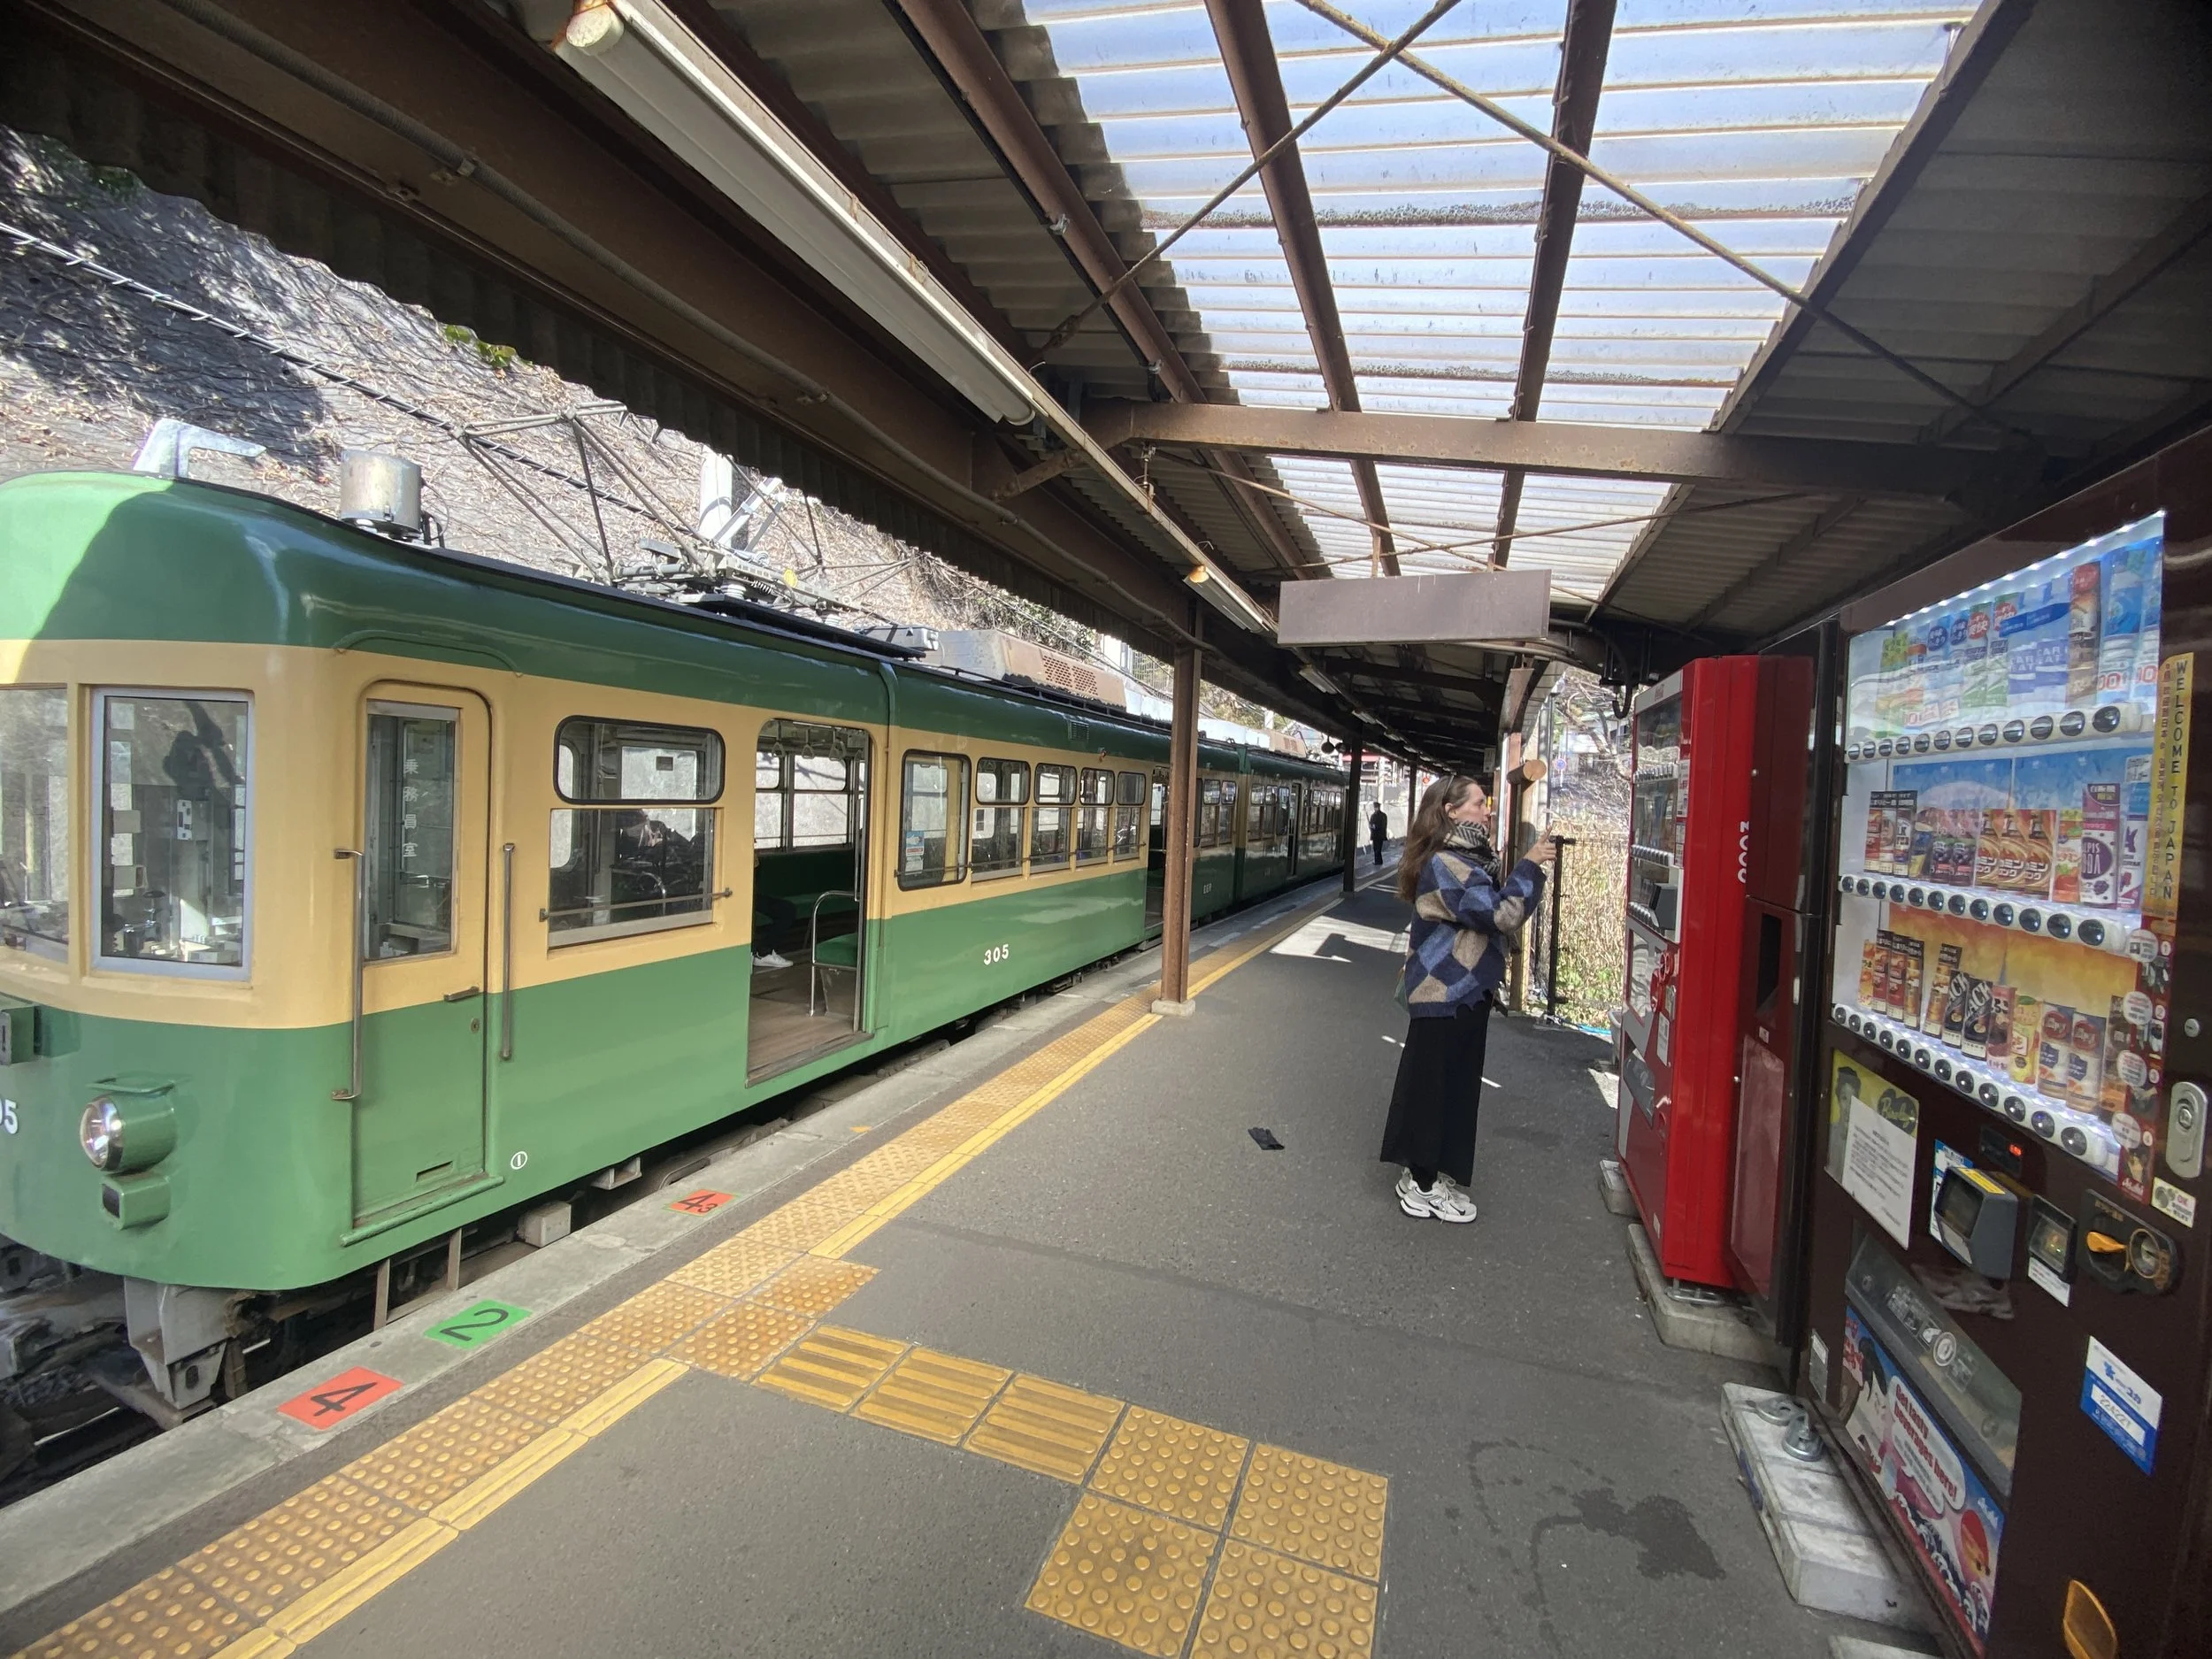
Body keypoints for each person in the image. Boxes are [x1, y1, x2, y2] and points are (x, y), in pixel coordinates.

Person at [1379, 775, 1555, 1223]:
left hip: (1462, 991)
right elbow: (1501, 913)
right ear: (1452, 811)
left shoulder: (1467, 859)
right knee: (1435, 1087)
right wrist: (1530, 866)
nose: (1487, 810)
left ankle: (1430, 1173)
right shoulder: (1446, 865)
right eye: (1479, 803)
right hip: (1446, 989)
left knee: (1452, 1085)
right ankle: (1421, 1182)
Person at [1368, 803, 1389, 867]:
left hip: (1378, 834)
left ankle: (1378, 861)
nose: (1375, 808)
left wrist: (1375, 826)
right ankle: (1378, 861)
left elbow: (1383, 825)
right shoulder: (1376, 815)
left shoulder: (1381, 815)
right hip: (1377, 834)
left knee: (1378, 848)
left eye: (1376, 807)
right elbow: (1371, 823)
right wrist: (1371, 826)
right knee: (1376, 848)